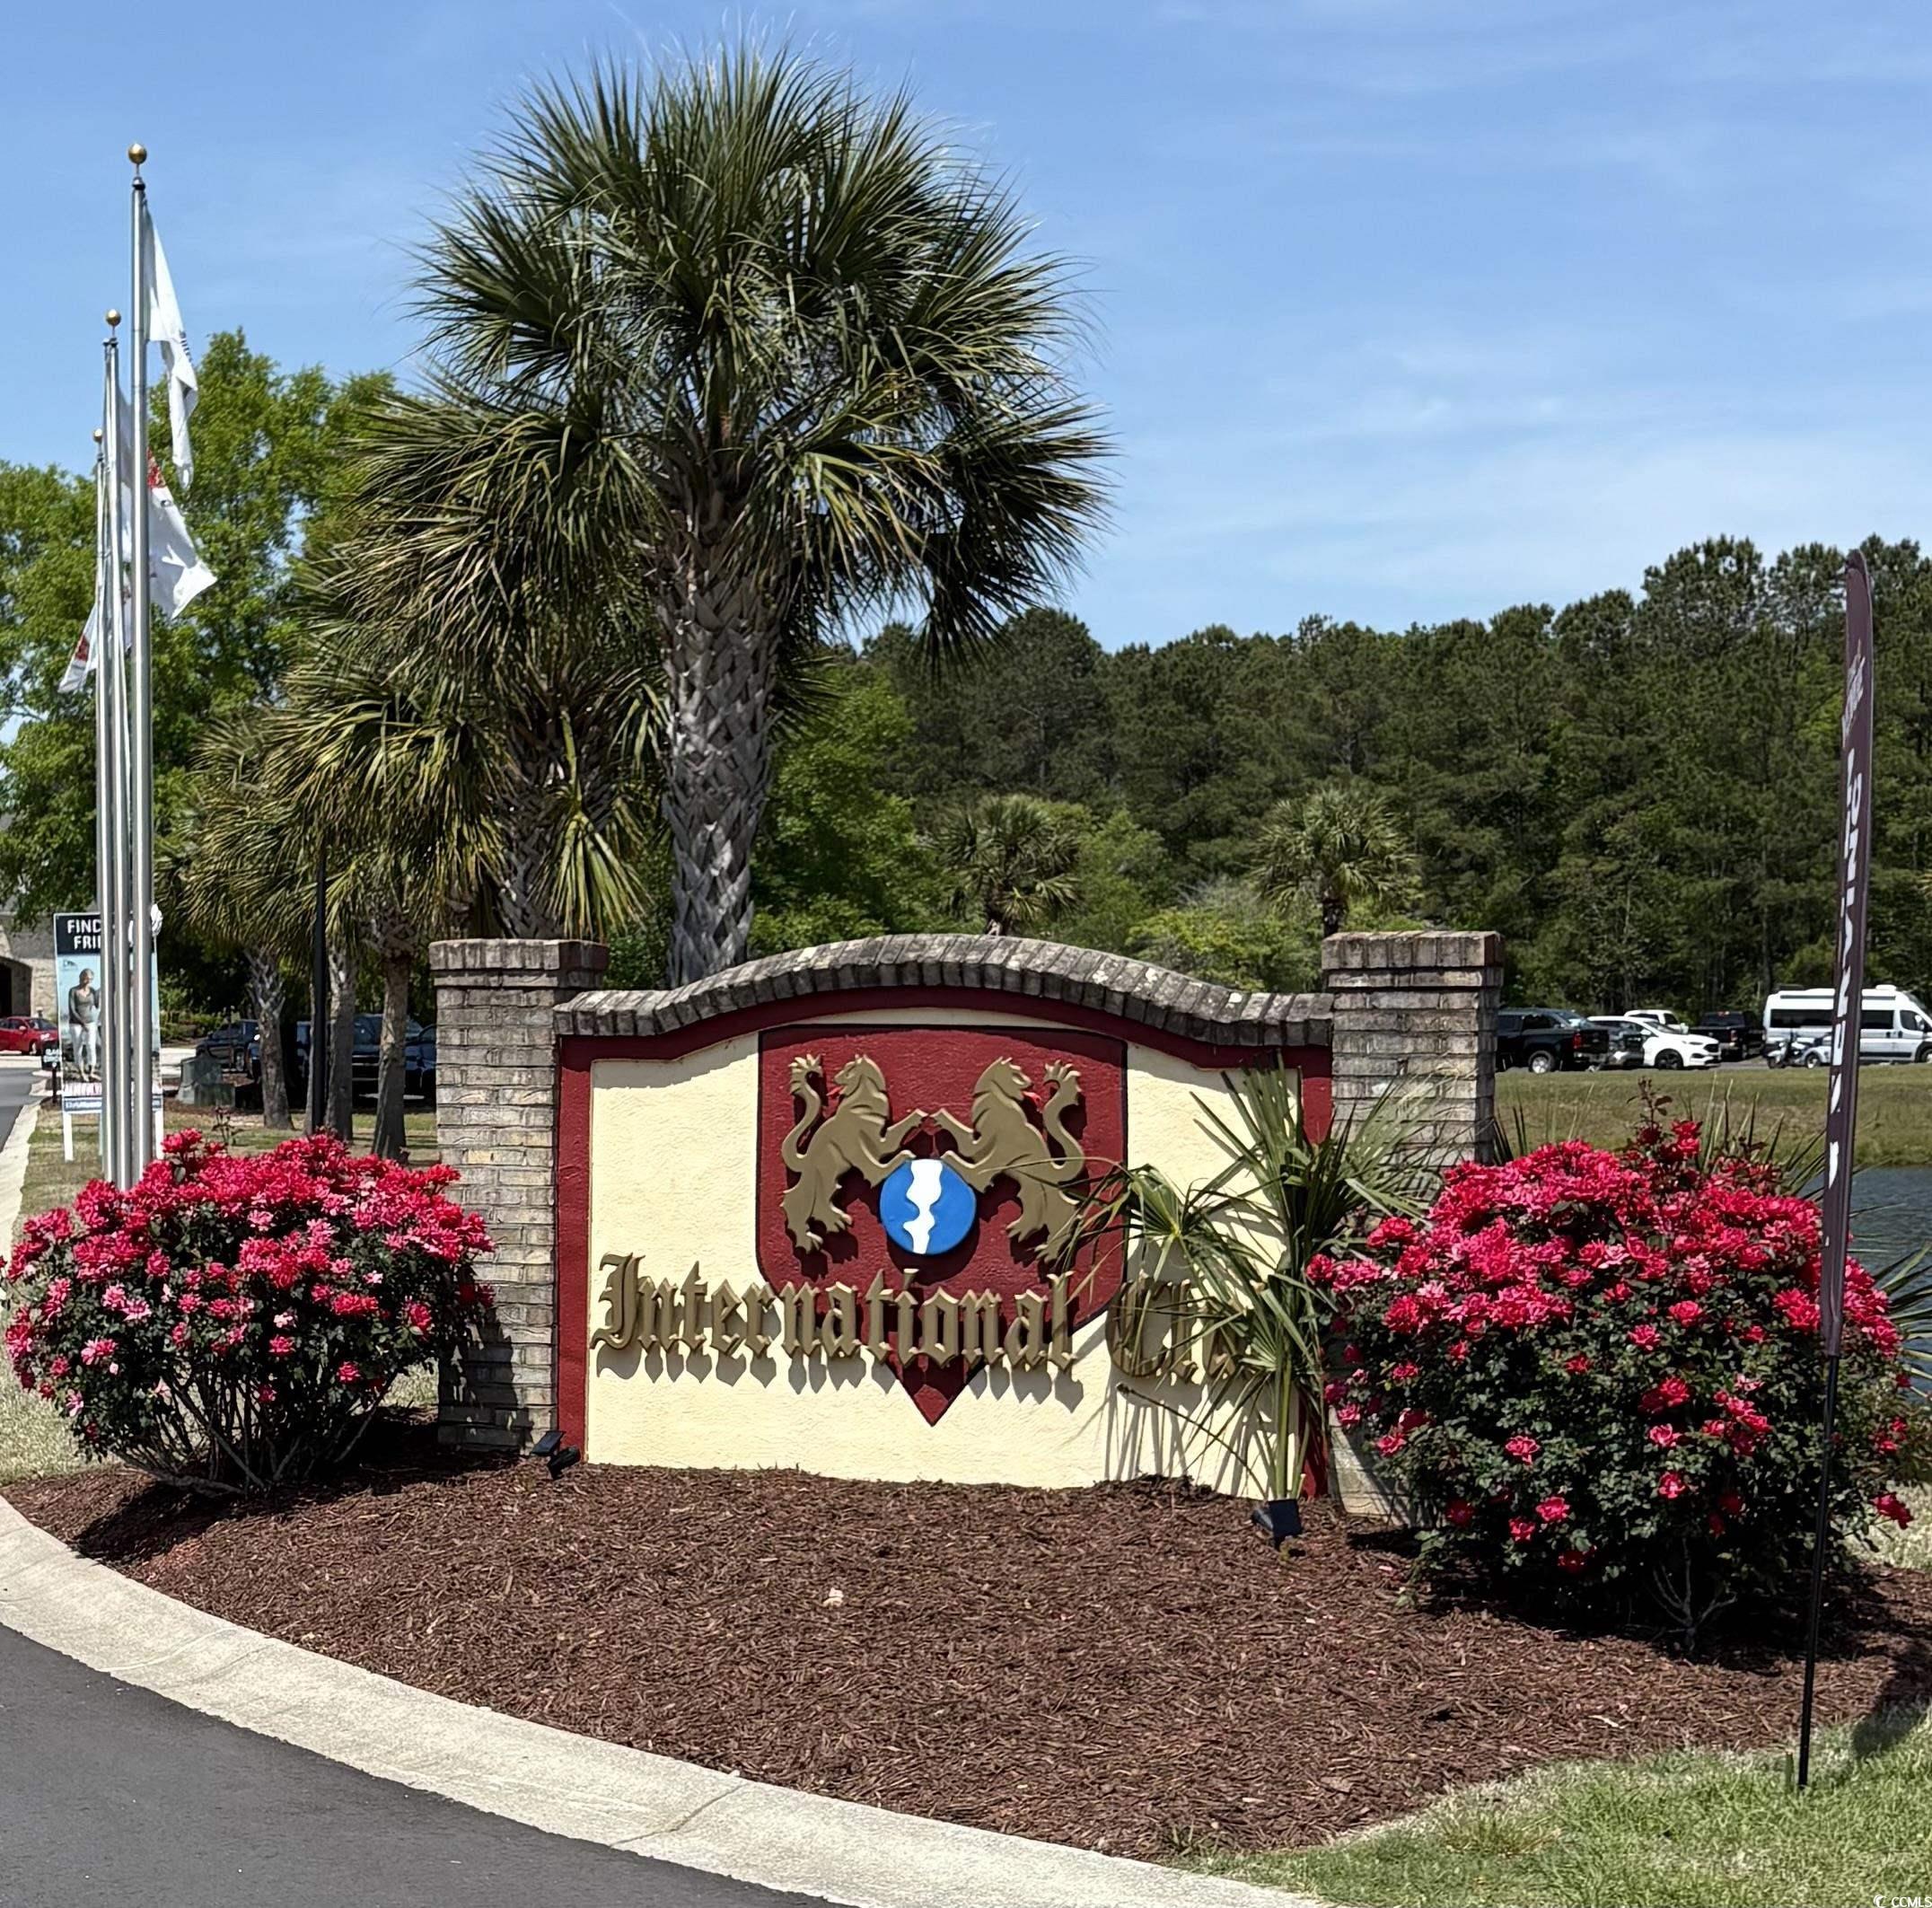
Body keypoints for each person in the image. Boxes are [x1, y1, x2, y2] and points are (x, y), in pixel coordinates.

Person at [66, 967, 99, 1079]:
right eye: (84, 978)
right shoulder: (73, 991)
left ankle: (91, 1071)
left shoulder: (92, 991)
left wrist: (100, 993)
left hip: (90, 1022)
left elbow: (97, 1005)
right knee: (78, 1047)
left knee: (91, 1046)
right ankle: (81, 1072)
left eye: (89, 979)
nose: (86, 981)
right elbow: (72, 1009)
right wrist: (82, 1022)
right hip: (76, 1023)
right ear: (80, 978)